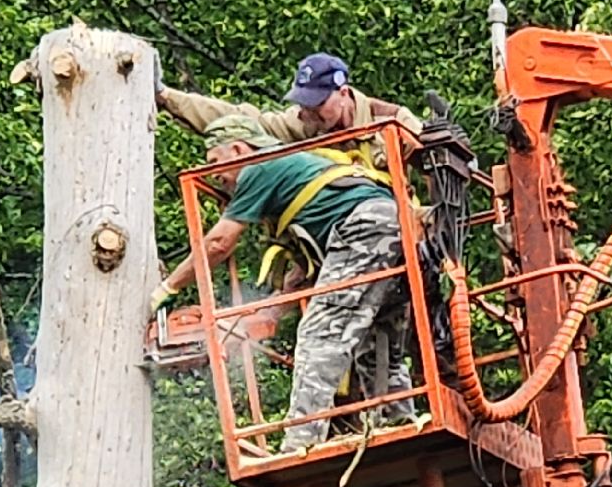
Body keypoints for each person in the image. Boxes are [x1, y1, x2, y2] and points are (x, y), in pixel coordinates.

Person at [150, 115, 417, 452]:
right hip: (396, 229)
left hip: (364, 229)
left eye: (215, 162)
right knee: (377, 341)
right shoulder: (296, 180)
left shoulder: (259, 167)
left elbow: (219, 243)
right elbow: (302, 280)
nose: (215, 174)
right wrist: (259, 317)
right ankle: (397, 420)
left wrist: (167, 288)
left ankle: (301, 440)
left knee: (319, 336)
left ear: (237, 149)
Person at [157, 53, 422, 170]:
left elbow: (437, 171)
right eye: (304, 103)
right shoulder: (302, 124)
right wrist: (167, 97)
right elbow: (241, 121)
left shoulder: (393, 122)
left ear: (343, 94)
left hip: (390, 230)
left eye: (316, 103)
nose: (308, 112)